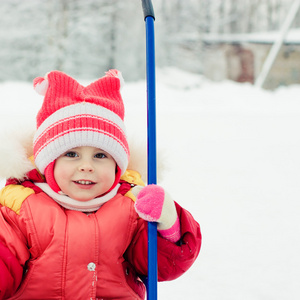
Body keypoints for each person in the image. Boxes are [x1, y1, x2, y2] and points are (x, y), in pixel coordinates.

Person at [0, 70, 201, 299]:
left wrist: (169, 225)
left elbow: (165, 266)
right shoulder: (20, 208)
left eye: (101, 156)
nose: (86, 166)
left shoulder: (131, 208)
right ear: (48, 163)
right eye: (72, 154)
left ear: (118, 167)